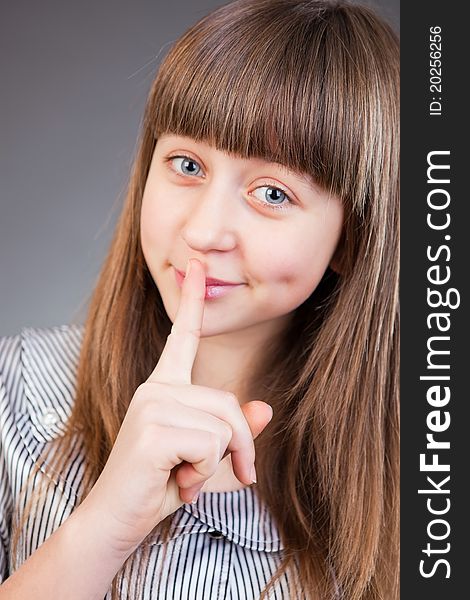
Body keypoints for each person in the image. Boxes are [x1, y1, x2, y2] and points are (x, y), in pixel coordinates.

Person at [0, 0, 399, 598]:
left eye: (272, 192)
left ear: (354, 236)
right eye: (186, 163)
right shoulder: (16, 394)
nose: (204, 231)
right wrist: (102, 527)